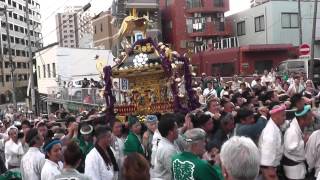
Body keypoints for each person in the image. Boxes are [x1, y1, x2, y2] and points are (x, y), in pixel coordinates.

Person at [283, 105, 314, 179]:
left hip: (299, 168)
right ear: (301, 120)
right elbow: (291, 148)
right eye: (310, 119)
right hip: (294, 172)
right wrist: (305, 141)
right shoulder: (292, 132)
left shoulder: (299, 127)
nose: (312, 120)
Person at [258, 104, 286, 180]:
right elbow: (267, 160)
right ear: (274, 116)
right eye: (283, 116)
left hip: (274, 166)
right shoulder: (270, 133)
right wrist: (271, 174)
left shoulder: (275, 125)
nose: (285, 118)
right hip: (269, 169)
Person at [151, 113, 180, 180]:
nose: (178, 130)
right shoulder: (167, 149)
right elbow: (175, 172)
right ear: (170, 132)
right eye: (176, 128)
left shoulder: (171, 141)